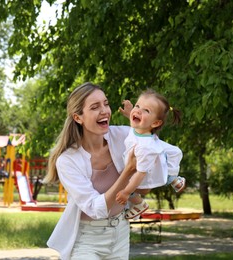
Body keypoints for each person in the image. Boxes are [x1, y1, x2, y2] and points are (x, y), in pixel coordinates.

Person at [43, 82, 137, 260]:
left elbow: (155, 149)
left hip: (120, 233)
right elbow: (95, 208)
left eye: (106, 104)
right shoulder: (68, 161)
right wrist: (127, 172)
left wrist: (138, 123)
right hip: (87, 240)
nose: (104, 111)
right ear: (78, 117)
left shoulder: (122, 136)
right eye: (95, 107)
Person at [116, 89, 185, 219]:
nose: (137, 111)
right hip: (144, 159)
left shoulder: (145, 147)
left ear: (155, 123)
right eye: (137, 106)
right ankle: (172, 178)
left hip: (142, 177)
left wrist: (126, 192)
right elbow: (138, 120)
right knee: (173, 151)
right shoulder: (139, 129)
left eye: (146, 110)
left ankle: (139, 204)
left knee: (120, 182)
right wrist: (130, 112)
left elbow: (140, 174)